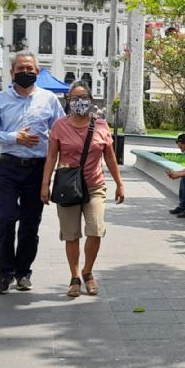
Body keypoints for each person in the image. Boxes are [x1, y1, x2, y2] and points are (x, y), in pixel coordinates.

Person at [0, 52, 65, 294]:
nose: (25, 72)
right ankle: (5, 273)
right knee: (6, 220)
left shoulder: (49, 100)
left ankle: (24, 272)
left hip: (37, 169)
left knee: (30, 224)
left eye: (29, 68)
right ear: (12, 72)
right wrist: (13, 136)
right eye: (20, 68)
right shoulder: (0, 100)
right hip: (8, 166)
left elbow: (60, 132)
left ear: (37, 72)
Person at [40, 81, 125, 297]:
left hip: (94, 185)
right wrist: (45, 184)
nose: (79, 102)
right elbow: (51, 156)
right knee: (71, 235)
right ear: (68, 101)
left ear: (90, 100)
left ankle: (88, 272)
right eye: (74, 98)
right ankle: (75, 276)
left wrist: (119, 183)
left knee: (95, 230)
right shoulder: (60, 126)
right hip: (67, 187)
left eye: (83, 98)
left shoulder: (101, 125)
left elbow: (110, 156)